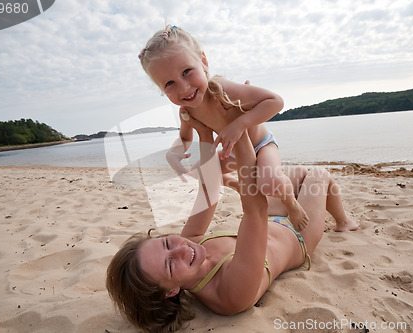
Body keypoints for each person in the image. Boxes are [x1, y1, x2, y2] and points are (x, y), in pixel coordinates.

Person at [106, 114, 360, 332]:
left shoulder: (189, 243)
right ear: (170, 292)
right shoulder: (231, 295)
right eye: (171, 265)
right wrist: (236, 129)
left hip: (272, 219)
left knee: (297, 174)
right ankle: (344, 221)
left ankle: (336, 215)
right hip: (299, 234)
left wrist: (204, 132)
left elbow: (209, 190)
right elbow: (254, 209)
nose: (181, 248)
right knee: (318, 175)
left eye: (166, 243)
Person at [138, 25, 309, 231]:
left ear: (203, 62)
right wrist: (175, 152)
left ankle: (291, 203)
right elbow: (185, 138)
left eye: (187, 72)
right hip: (232, 151)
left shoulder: (221, 89)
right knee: (200, 172)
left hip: (261, 145)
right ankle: (234, 184)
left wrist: (240, 124)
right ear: (161, 89)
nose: (183, 88)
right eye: (169, 84)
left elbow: (275, 101)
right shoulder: (188, 110)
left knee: (269, 182)